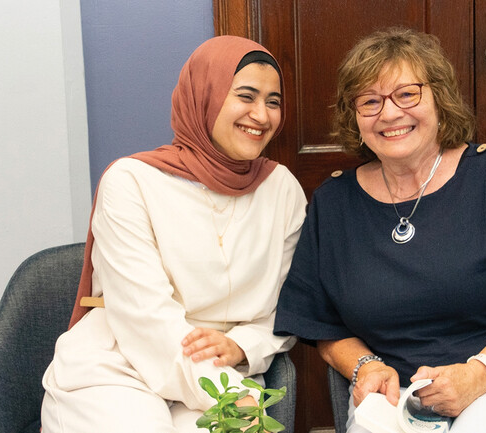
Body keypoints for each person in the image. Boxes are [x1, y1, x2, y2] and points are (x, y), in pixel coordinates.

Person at [273, 27, 486, 433]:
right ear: (353, 116)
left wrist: (480, 373)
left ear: (439, 98)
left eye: (407, 94)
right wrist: (365, 365)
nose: (389, 114)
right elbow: (321, 323)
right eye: (370, 101)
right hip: (408, 398)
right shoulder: (334, 202)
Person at [40, 35, 307, 432]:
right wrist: (229, 393)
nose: (262, 115)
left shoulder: (282, 189)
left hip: (220, 364)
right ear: (204, 96)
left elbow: (284, 306)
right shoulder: (131, 181)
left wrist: (244, 346)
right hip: (119, 365)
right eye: (246, 96)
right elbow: (145, 319)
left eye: (273, 101)